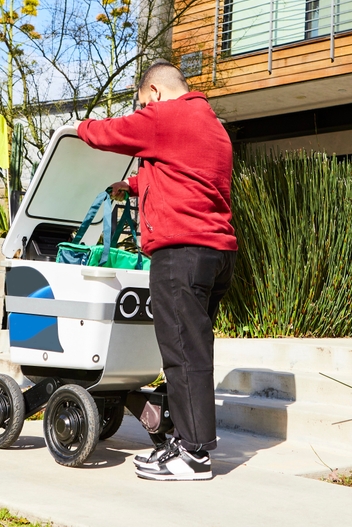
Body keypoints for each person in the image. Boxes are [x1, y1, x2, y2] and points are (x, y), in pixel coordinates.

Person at [77, 60, 237, 481]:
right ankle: (183, 442)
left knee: (184, 354)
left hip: (181, 251)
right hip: (216, 253)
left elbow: (110, 133)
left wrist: (80, 126)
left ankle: (194, 455)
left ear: (154, 90)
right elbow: (185, 175)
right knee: (192, 352)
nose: (143, 110)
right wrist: (130, 187)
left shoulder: (166, 114)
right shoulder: (211, 125)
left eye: (143, 102)